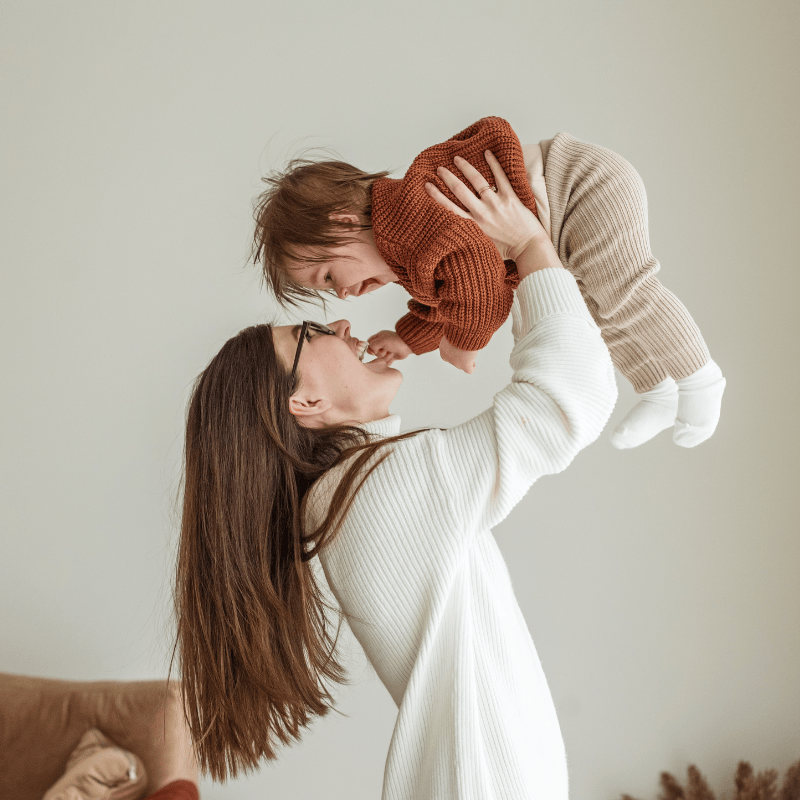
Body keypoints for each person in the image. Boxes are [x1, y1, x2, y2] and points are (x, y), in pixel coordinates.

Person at [173, 153, 617, 798]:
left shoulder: (349, 496)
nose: (344, 319)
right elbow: (569, 396)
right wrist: (526, 244)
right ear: (305, 403)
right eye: (313, 330)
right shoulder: (381, 488)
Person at [251, 116, 726, 449]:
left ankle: (702, 380)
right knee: (601, 310)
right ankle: (658, 389)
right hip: (559, 223)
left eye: (330, 276)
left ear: (344, 222)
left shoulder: (408, 215)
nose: (342, 295)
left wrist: (463, 341)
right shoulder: (404, 249)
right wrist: (409, 339)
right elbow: (443, 297)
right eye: (328, 292)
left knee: (626, 294)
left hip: (578, 186)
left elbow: (478, 280)